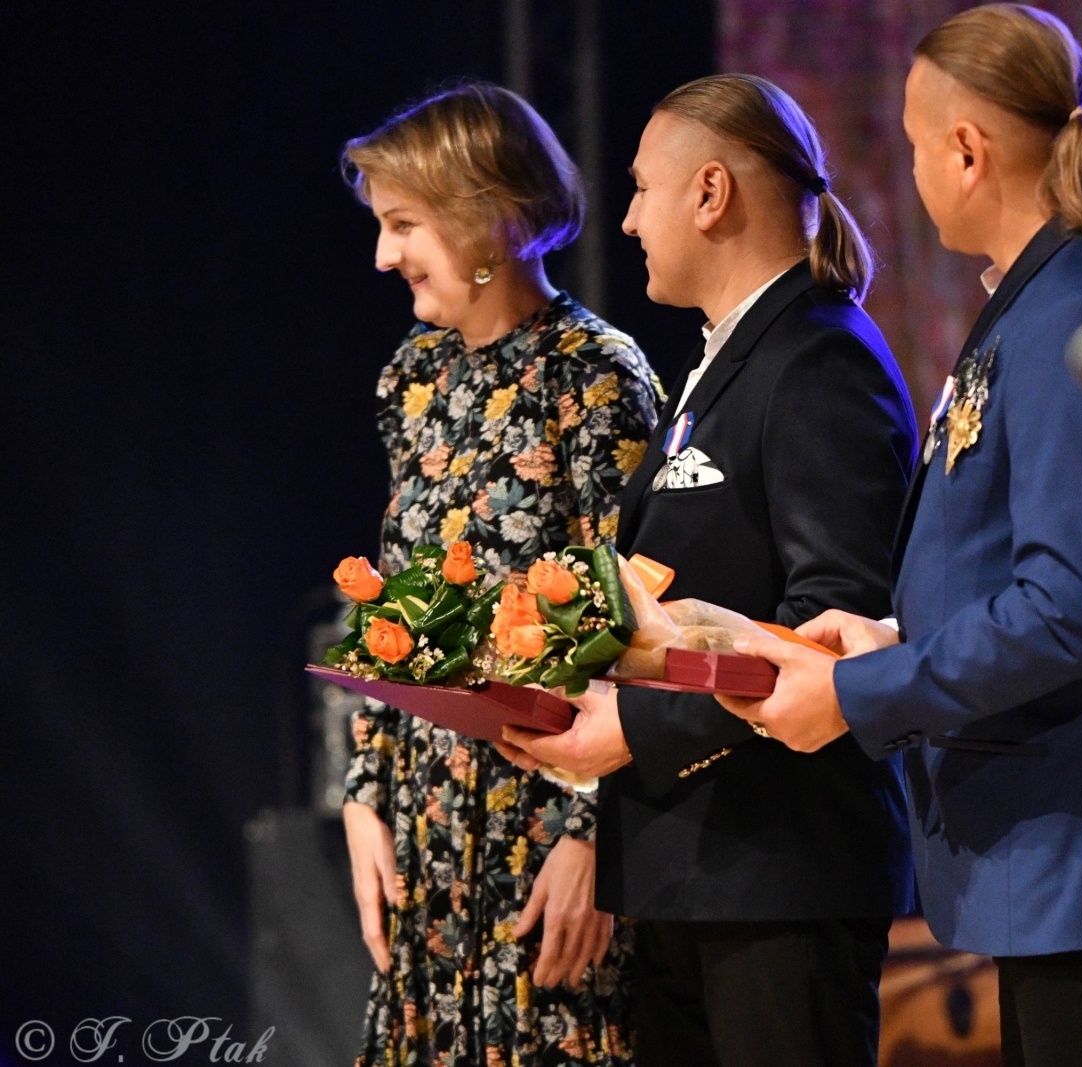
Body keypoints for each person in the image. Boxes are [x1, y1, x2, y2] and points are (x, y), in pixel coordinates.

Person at [715, 7, 1082, 1066]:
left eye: (916, 144)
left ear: (968, 151)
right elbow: (1023, 550)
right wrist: (892, 637)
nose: (910, 170)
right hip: (1060, 851)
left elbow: (1070, 604)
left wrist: (861, 696)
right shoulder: (1053, 290)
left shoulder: (1079, 307)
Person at [494, 75, 917, 1067]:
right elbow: (672, 600)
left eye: (642, 188)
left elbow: (826, 628)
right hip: (693, 870)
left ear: (711, 193)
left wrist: (631, 725)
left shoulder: (818, 362)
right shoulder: (726, 366)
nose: (630, 218)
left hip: (779, 873)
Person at [339, 83, 662, 1067]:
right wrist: (362, 791)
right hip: (425, 816)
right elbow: (402, 601)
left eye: (404, 224)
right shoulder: (415, 373)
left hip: (540, 824)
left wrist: (589, 834)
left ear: (492, 218)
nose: (384, 254)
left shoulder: (593, 374)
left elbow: (633, 612)